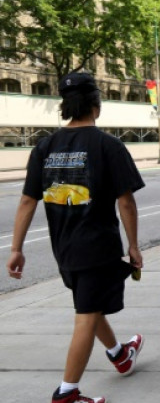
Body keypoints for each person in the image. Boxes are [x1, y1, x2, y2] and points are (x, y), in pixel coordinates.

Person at [5, 72, 145, 403]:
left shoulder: (44, 146)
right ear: (96, 105)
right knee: (86, 314)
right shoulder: (108, 145)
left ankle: (120, 354)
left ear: (65, 106)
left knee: (88, 304)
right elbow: (126, 202)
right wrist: (134, 245)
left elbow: (27, 201)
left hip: (64, 248)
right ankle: (67, 393)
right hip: (97, 247)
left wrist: (16, 249)